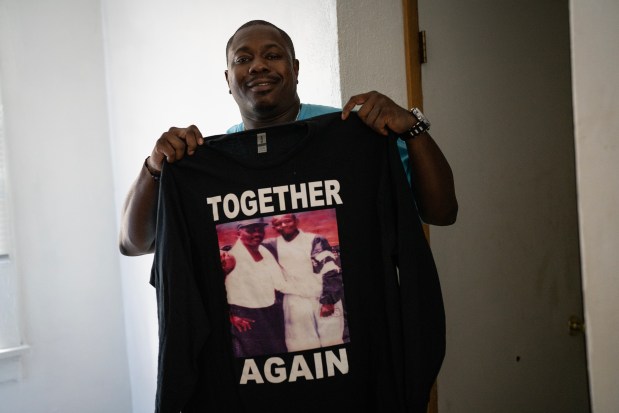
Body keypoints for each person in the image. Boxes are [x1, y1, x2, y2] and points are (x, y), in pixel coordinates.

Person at [119, 19, 458, 257]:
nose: (258, 67)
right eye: (243, 59)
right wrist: (153, 168)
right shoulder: (206, 161)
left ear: (295, 69)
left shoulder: (354, 136)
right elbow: (134, 244)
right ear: (228, 78)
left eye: (272, 55)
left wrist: (413, 128)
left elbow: (442, 212)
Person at [263, 214, 346, 352]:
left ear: (296, 221)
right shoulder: (273, 245)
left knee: (332, 342)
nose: (283, 226)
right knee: (300, 345)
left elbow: (330, 269)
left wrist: (328, 301)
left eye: (287, 221)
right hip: (295, 300)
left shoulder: (315, 240)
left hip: (322, 297)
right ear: (274, 227)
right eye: (278, 224)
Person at [222, 218, 288, 358]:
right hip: (245, 318)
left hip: (271, 313)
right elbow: (211, 291)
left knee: (279, 354)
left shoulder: (265, 251)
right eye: (251, 230)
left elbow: (279, 283)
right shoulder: (229, 258)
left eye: (260, 229)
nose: (257, 233)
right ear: (238, 233)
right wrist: (230, 317)